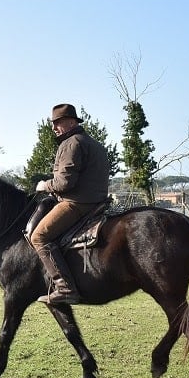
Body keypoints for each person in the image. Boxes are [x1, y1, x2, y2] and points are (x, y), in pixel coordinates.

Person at [32, 104, 110, 304]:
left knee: (39, 236)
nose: (54, 127)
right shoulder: (95, 144)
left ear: (72, 121)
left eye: (58, 122)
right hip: (97, 202)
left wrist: (44, 185)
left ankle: (65, 287)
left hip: (77, 203)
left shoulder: (71, 143)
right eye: (53, 123)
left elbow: (65, 183)